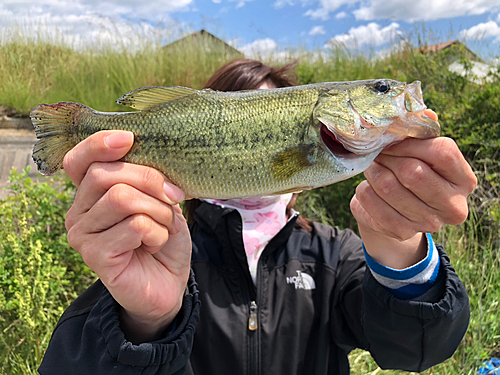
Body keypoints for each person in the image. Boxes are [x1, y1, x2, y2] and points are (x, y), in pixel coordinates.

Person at [38, 59, 477, 375]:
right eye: (380, 89)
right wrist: (144, 322)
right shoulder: (158, 250)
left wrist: (399, 246)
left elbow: (414, 352)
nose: (391, 92)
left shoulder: (335, 255)